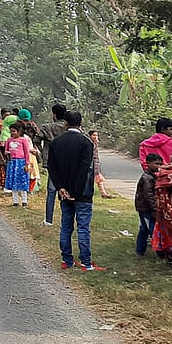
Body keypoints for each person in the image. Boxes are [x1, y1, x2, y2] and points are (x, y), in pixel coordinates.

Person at [47, 110, 104, 270]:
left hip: (64, 192)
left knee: (66, 226)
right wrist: (75, 191)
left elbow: (52, 168)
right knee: (83, 228)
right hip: (82, 193)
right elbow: (84, 169)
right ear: (81, 123)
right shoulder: (86, 143)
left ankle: (67, 260)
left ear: (65, 123)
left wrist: (61, 188)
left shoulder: (56, 142)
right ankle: (86, 262)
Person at [37, 103, 68, 226]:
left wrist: (42, 152)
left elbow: (36, 139)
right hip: (66, 161)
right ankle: (65, 219)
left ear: (54, 115)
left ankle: (49, 219)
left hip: (51, 161)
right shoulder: (67, 127)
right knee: (66, 189)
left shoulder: (47, 127)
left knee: (51, 190)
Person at [135, 154, 160, 255]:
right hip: (145, 208)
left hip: (146, 207)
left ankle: (140, 250)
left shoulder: (152, 176)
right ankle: (160, 252)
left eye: (160, 164)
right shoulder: (147, 178)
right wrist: (154, 209)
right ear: (148, 163)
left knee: (144, 228)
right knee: (151, 229)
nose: (159, 166)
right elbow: (148, 195)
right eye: (156, 164)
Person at [3, 124, 34, 207]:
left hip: (21, 162)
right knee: (13, 181)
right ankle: (15, 201)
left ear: (19, 131)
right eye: (11, 131)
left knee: (22, 181)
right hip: (12, 162)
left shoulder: (23, 140)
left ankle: (24, 200)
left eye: (14, 131)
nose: (12, 133)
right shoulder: (9, 140)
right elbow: (6, 150)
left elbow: (27, 152)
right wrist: (7, 153)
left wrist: (27, 163)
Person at [89, 130, 113, 198]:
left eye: (96, 135)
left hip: (96, 163)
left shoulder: (95, 143)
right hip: (91, 163)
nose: (95, 137)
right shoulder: (89, 143)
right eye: (94, 135)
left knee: (99, 179)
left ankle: (103, 193)